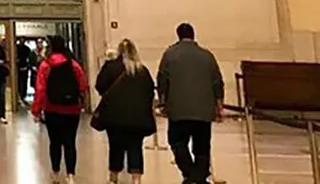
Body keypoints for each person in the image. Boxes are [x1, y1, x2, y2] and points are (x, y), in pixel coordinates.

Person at [157, 23, 224, 184]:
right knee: (202, 146)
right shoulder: (207, 56)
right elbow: (217, 82)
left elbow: (162, 80)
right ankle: (199, 177)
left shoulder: (170, 54)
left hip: (178, 109)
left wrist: (163, 102)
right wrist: (219, 104)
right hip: (204, 110)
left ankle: (189, 174)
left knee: (177, 141)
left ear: (178, 35)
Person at [94, 39, 157, 184]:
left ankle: (114, 176)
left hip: (114, 116)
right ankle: (136, 178)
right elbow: (150, 92)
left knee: (115, 145)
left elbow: (100, 86)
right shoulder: (142, 70)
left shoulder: (110, 67)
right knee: (135, 146)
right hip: (137, 117)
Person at [33, 35, 88, 184]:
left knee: (55, 142)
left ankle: (56, 172)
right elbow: (83, 85)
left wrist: (36, 110)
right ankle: (70, 175)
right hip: (72, 109)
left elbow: (40, 89)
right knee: (70, 142)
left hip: (52, 109)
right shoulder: (74, 64)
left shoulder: (46, 65)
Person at [17, 38, 32, 105]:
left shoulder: (27, 49)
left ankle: (23, 96)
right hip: (17, 68)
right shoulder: (15, 48)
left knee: (24, 83)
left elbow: (29, 58)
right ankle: (19, 96)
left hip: (24, 67)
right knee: (19, 83)